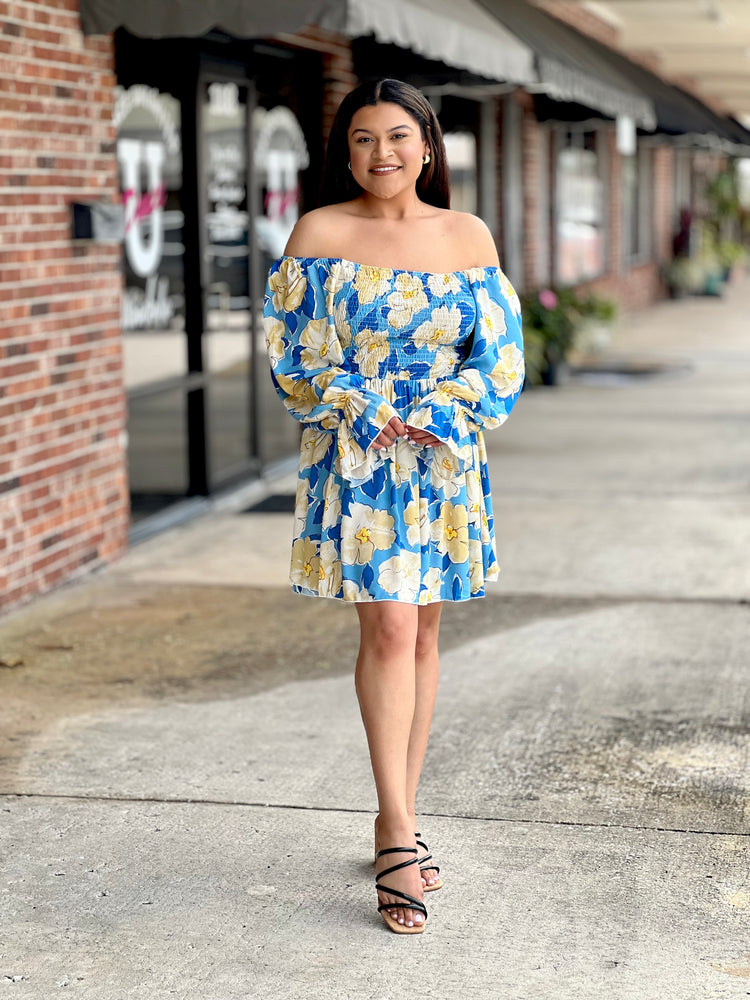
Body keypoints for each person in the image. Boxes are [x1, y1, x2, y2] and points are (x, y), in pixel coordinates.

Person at [263, 78, 524, 935]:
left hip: (444, 459)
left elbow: (502, 357)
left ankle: (401, 815)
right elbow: (292, 355)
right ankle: (395, 831)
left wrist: (443, 409)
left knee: (427, 631)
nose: (384, 154)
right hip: (361, 456)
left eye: (400, 136)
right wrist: (370, 407)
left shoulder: (467, 235)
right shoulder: (320, 232)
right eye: (366, 139)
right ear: (347, 151)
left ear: (429, 146)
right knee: (390, 629)